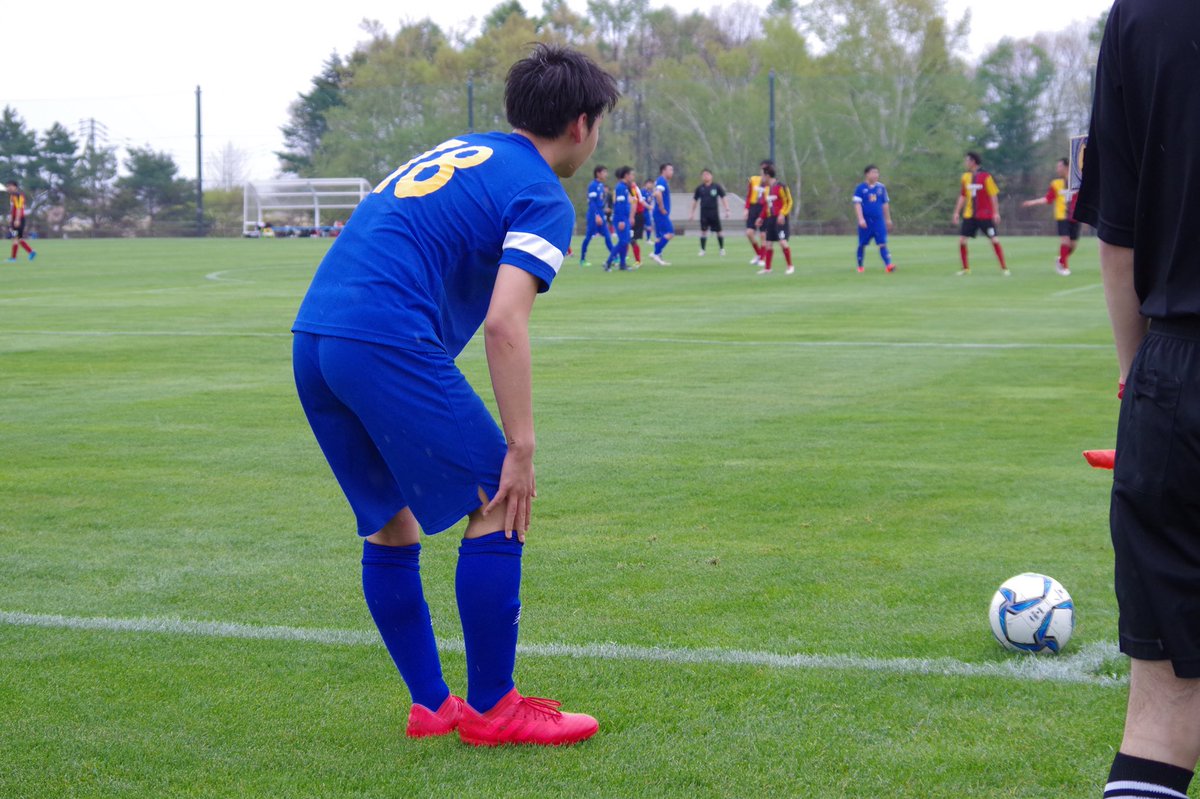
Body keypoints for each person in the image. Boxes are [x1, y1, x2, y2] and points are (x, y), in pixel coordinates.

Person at [290, 43, 618, 748]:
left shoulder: (464, 148)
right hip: (382, 336)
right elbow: (505, 321)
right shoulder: (540, 192)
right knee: (499, 495)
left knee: (391, 522)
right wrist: (522, 447)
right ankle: (496, 707)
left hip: (313, 337)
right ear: (583, 125)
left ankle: (432, 705)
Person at [1075, 2, 1200, 797]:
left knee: (1160, 713)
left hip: (1175, 373)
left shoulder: (1140, 13)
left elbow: (1117, 245)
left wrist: (1140, 376)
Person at [951, 152, 1008, 276]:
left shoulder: (986, 176)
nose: (965, 163)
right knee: (962, 240)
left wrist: (996, 213)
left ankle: (1004, 268)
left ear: (973, 162)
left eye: (967, 161)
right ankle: (965, 269)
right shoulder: (965, 177)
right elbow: (962, 195)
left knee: (994, 239)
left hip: (985, 215)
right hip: (969, 215)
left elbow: (993, 195)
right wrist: (956, 212)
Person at [1022, 158, 1079, 276]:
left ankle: (1061, 260)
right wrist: (1032, 202)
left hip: (1075, 216)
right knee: (1065, 242)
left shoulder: (1077, 182)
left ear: (1067, 167)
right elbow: (1048, 199)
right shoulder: (1056, 184)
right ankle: (1064, 267)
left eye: (1059, 166)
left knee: (1073, 245)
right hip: (1062, 216)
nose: (1057, 169)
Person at [852, 165, 894, 273]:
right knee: (862, 244)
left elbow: (885, 204)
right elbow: (857, 204)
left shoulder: (881, 188)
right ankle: (860, 266)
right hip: (866, 222)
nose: (876, 175)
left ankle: (888, 265)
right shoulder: (860, 188)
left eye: (877, 173)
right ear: (867, 174)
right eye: (873, 173)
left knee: (882, 243)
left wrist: (888, 219)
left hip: (878, 221)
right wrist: (861, 219)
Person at [755, 165, 794, 275]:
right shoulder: (767, 189)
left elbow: (789, 201)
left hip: (781, 219)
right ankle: (767, 268)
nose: (761, 178)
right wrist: (761, 217)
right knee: (768, 243)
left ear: (767, 175)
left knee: (782, 242)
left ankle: (790, 266)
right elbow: (766, 206)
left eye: (762, 175)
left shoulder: (781, 186)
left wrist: (782, 214)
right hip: (770, 219)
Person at [688, 169, 730, 256]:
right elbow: (695, 200)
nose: (705, 176)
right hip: (704, 213)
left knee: (719, 231)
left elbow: (723, 197)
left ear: (711, 176)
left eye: (707, 174)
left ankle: (721, 249)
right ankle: (702, 250)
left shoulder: (716, 187)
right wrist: (692, 213)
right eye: (704, 175)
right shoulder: (699, 188)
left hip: (714, 212)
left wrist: (727, 210)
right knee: (703, 231)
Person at [580, 164, 613, 266]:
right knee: (588, 236)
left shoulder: (601, 185)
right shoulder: (593, 185)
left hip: (600, 213)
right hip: (594, 215)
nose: (606, 174)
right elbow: (592, 203)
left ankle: (614, 256)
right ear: (598, 173)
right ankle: (582, 259)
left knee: (607, 235)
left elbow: (599, 202)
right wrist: (596, 215)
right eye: (604, 172)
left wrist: (603, 210)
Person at [607, 166, 637, 271]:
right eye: (631, 174)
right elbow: (619, 205)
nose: (633, 177)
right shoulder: (620, 188)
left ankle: (622, 264)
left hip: (625, 218)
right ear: (626, 175)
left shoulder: (625, 187)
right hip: (621, 218)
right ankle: (608, 262)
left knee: (625, 241)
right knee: (623, 241)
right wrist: (621, 220)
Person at [745, 160, 771, 266]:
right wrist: (746, 208)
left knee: (763, 235)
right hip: (753, 207)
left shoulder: (771, 183)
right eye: (762, 168)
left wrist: (764, 213)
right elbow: (749, 194)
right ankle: (759, 254)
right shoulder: (754, 179)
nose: (763, 171)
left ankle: (762, 259)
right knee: (749, 233)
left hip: (764, 208)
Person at [649, 163, 674, 265]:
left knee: (659, 236)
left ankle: (658, 256)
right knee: (670, 233)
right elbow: (658, 193)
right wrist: (661, 207)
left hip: (658, 212)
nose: (672, 172)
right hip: (660, 213)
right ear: (664, 171)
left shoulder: (660, 181)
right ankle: (655, 253)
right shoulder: (662, 180)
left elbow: (655, 193)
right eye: (670, 170)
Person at [6, 181, 36, 262]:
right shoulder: (12, 196)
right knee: (17, 238)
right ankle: (30, 252)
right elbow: (13, 209)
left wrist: (17, 220)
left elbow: (19, 208)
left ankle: (14, 258)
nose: (8, 188)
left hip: (19, 219)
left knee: (16, 238)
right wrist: (11, 219)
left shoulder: (18, 196)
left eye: (10, 186)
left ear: (15, 187)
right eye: (8, 186)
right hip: (15, 219)